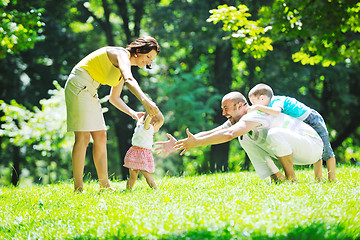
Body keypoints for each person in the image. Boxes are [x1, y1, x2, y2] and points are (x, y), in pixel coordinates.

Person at [155, 92, 323, 183]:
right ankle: (277, 178)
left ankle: (291, 179)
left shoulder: (256, 113)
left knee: (272, 134)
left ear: (242, 106)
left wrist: (197, 142)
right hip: (295, 149)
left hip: (311, 146)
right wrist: (181, 143)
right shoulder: (240, 119)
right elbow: (215, 132)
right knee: (245, 138)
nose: (223, 113)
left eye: (226, 108)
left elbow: (229, 134)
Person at [64, 36, 161, 192]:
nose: (149, 62)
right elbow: (129, 79)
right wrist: (146, 101)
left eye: (152, 59)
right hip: (79, 85)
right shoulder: (121, 55)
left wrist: (133, 113)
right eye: (148, 56)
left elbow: (114, 98)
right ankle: (78, 188)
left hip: (90, 90)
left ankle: (105, 185)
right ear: (139, 50)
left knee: (101, 135)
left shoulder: (125, 68)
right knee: (83, 137)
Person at [247, 83, 336, 182]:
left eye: (253, 102)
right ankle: (318, 178)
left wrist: (257, 107)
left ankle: (332, 178)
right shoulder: (268, 107)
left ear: (262, 98)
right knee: (315, 149)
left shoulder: (276, 100)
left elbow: (276, 112)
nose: (253, 105)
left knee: (326, 150)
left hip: (312, 119)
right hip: (301, 125)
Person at [123, 112, 164, 191]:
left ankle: (128, 190)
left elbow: (142, 121)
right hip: (142, 155)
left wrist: (144, 116)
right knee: (147, 175)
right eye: (159, 127)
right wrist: (150, 115)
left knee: (132, 177)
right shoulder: (148, 128)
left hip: (134, 152)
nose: (157, 129)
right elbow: (147, 122)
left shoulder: (139, 126)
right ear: (154, 123)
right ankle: (155, 189)